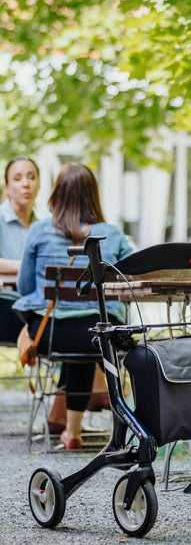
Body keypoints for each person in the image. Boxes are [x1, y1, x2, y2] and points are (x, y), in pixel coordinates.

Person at [14, 163, 132, 450]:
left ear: (57, 193)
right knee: (88, 332)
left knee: (75, 334)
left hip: (50, 335)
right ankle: (74, 430)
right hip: (98, 338)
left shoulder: (39, 231)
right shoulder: (113, 234)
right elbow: (130, 280)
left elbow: (25, 286)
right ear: (93, 195)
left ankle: (70, 431)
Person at [0, 156, 41, 342]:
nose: (26, 184)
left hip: (39, 303)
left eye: (32, 177)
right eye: (17, 179)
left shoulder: (45, 225)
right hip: (6, 302)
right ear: (7, 187)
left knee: (85, 326)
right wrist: (27, 266)